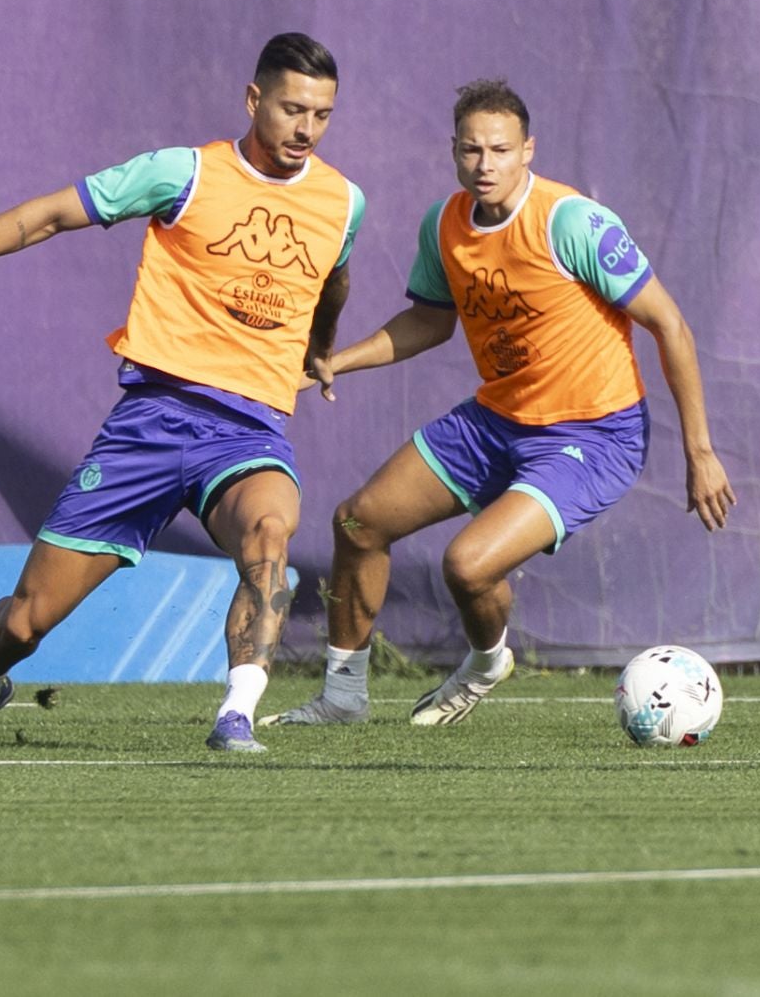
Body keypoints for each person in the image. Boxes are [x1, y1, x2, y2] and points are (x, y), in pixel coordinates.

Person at [0, 33, 361, 753]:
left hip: (247, 432)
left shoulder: (344, 201)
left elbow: (334, 273)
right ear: (254, 99)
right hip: (150, 425)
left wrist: (320, 346)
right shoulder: (182, 174)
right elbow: (46, 217)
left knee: (270, 534)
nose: (305, 130)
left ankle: (236, 715)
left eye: (321, 115)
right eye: (292, 109)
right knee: (24, 623)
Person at [267, 78, 734, 729]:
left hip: (595, 436)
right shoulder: (446, 224)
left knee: (467, 566)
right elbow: (430, 322)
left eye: (499, 150)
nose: (484, 165)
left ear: (527, 151)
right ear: (454, 151)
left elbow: (671, 325)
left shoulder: (571, 222)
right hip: (497, 420)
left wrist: (701, 451)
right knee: (357, 523)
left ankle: (487, 662)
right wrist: (337, 360)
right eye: (470, 150)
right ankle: (343, 698)